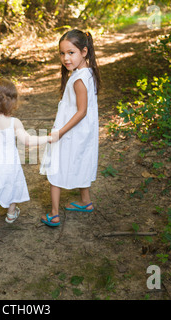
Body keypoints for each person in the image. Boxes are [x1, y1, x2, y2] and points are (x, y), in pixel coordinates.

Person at [0, 77, 52, 241]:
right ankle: (11, 214)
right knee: (13, 186)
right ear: (11, 102)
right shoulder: (14, 122)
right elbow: (28, 140)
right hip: (9, 165)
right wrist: (47, 138)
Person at [40, 29, 101, 227]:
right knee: (81, 161)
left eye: (71, 53)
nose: (66, 58)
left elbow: (81, 111)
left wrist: (60, 132)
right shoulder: (86, 72)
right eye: (62, 53)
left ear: (84, 51)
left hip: (72, 132)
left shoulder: (79, 79)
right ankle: (86, 201)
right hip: (82, 132)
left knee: (55, 168)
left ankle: (54, 213)